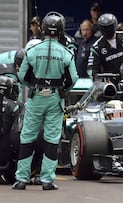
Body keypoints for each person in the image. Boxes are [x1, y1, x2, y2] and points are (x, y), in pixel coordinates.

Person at [13, 12, 78, 190]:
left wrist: (32, 86)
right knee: (51, 138)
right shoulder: (66, 53)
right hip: (55, 99)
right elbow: (73, 78)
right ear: (60, 31)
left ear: (43, 30)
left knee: (27, 136)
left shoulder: (32, 50)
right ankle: (47, 180)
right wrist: (63, 90)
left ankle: (21, 179)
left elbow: (22, 75)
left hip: (36, 97)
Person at [88, 13, 123, 84]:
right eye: (104, 27)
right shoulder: (97, 47)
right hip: (112, 85)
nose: (107, 30)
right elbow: (92, 70)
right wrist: (101, 84)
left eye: (109, 27)